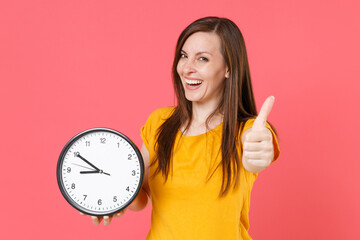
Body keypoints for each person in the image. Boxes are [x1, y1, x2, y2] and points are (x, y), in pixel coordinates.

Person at [82, 16, 280, 240]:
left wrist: (258, 154)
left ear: (228, 68)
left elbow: (258, 154)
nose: (187, 68)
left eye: (202, 59)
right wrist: (114, 199)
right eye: (184, 56)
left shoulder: (249, 131)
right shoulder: (160, 122)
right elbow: (140, 194)